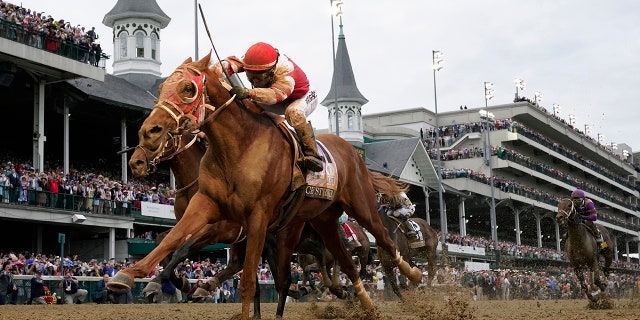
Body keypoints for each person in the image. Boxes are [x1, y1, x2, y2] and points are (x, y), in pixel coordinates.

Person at [213, 42, 323, 172]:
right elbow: (231, 63)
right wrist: (216, 71)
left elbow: (275, 95)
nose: (254, 81)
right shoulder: (253, 61)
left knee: (293, 112)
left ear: (271, 71)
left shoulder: (287, 72)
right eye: (250, 77)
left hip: (300, 97)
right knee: (246, 103)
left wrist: (249, 92)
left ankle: (312, 154)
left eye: (258, 78)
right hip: (274, 95)